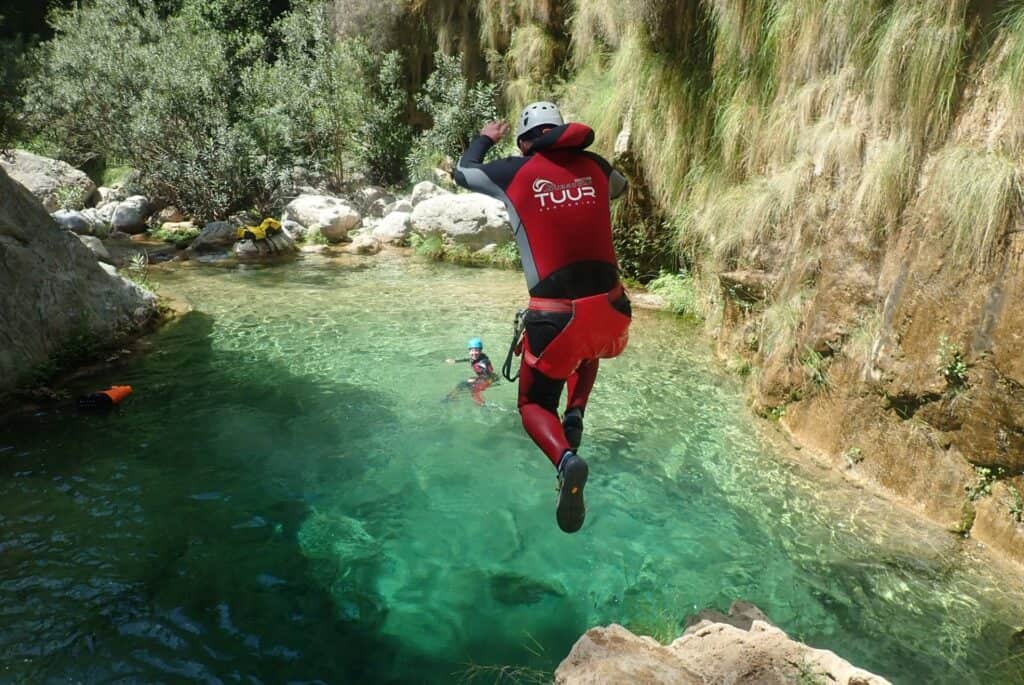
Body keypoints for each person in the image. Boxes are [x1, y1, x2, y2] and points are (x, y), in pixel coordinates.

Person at [454, 101, 631, 533]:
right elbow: (620, 187)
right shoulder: (596, 166)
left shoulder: (515, 171)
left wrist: (484, 138)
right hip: (613, 310)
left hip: (555, 318)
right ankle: (576, 413)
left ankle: (566, 460)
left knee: (532, 403)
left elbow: (463, 171)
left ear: (523, 141)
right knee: (586, 346)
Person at [445, 337, 498, 406]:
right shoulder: (477, 357)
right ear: (469, 351)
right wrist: (455, 361)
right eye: (472, 350)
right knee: (462, 384)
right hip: (483, 377)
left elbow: (488, 376)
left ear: (480, 351)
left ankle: (483, 406)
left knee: (474, 390)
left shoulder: (483, 363)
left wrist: (476, 379)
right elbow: (469, 359)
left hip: (489, 379)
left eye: (477, 350)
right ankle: (451, 397)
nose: (474, 353)